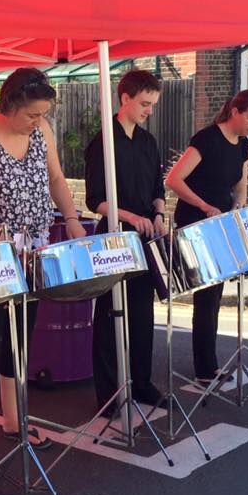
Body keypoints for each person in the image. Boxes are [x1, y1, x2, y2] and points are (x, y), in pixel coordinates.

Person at [0, 67, 86, 483]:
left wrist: (72, 219)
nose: (38, 121)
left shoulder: (42, 132)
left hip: (30, 253)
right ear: (8, 106)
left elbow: (56, 178)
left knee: (19, 341)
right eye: (31, 114)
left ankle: (15, 421)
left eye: (43, 114)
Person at [165, 89, 248, 385]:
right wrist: (203, 205)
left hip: (221, 222)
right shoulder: (206, 139)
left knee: (214, 296)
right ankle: (205, 369)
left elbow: (240, 185)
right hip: (196, 220)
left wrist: (238, 207)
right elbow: (173, 179)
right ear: (235, 112)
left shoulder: (242, 144)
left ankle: (208, 366)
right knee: (206, 296)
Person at [84, 70, 166, 410]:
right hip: (114, 238)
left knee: (142, 314)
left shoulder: (148, 142)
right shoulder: (102, 142)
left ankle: (141, 383)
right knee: (110, 316)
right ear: (125, 99)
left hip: (145, 237)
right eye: (144, 103)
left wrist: (159, 213)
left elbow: (158, 187)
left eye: (153, 104)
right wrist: (130, 217)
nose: (149, 110)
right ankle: (109, 395)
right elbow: (95, 200)